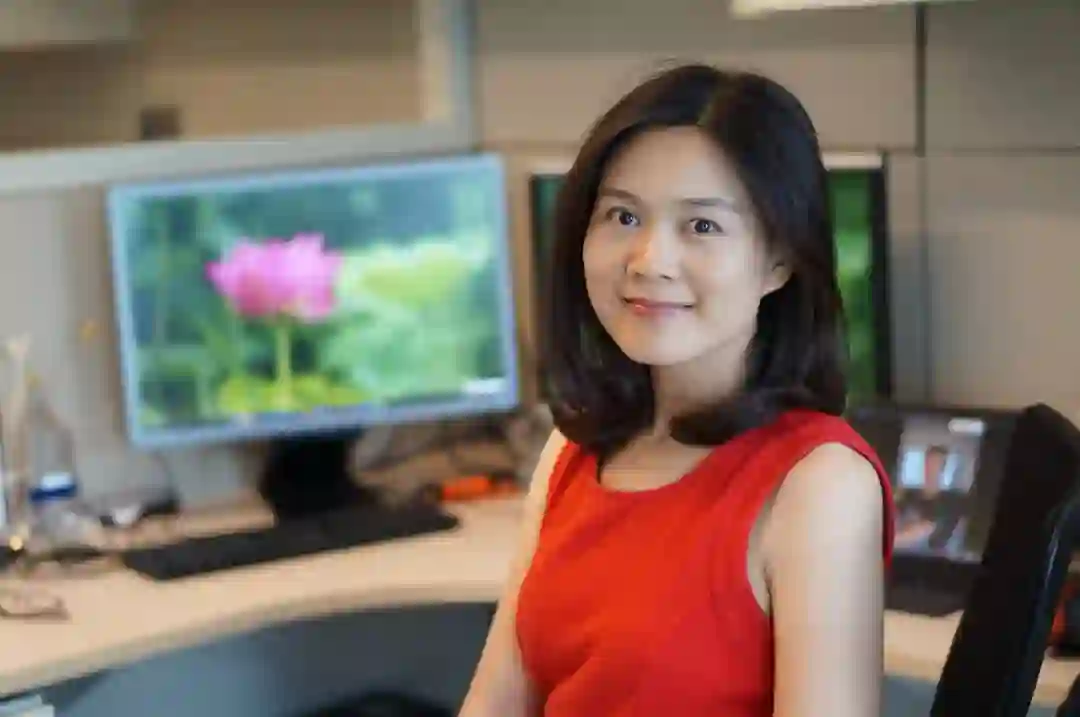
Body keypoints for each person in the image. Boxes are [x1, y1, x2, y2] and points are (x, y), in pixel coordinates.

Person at [459, 64, 896, 717]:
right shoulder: (572, 450)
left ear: (779, 259)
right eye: (623, 215)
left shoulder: (819, 485)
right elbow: (495, 703)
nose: (650, 260)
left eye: (702, 226)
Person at [895, 444, 966, 553]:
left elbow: (925, 530)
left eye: (935, 464)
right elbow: (894, 518)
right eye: (928, 463)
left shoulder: (950, 501)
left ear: (942, 469)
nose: (930, 468)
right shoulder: (909, 495)